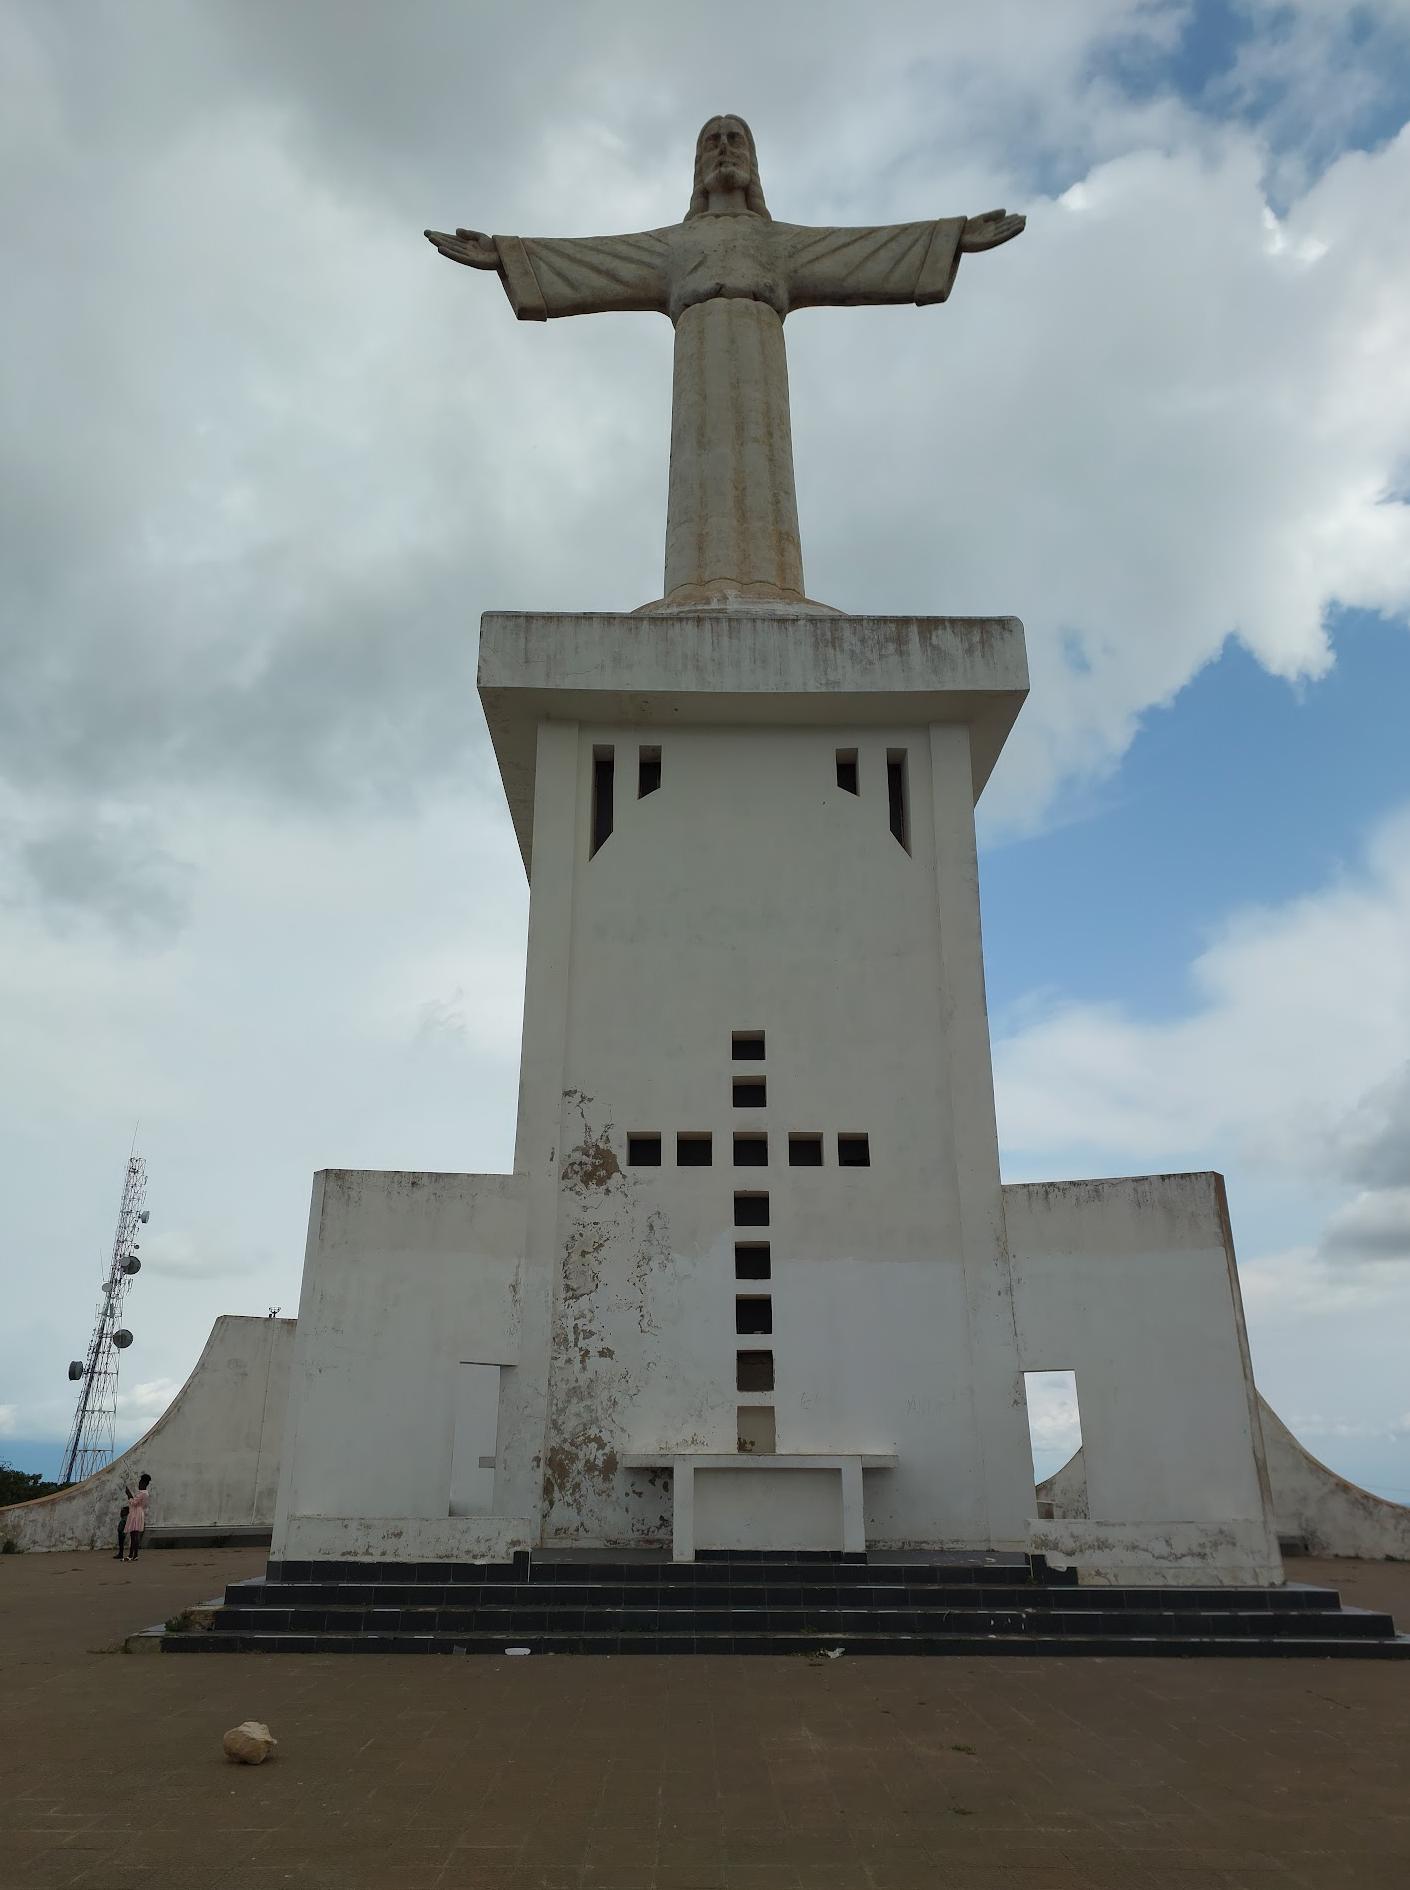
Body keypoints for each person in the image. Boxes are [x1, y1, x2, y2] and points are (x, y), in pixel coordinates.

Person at [125, 1473, 151, 1561]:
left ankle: (131, 1555)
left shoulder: (142, 1493)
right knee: (135, 1535)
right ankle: (134, 1555)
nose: (139, 1484)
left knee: (134, 1535)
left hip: (135, 1513)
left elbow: (134, 1503)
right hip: (139, 1512)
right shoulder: (146, 1493)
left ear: (144, 1484)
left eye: (140, 1483)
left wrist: (129, 1495)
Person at [114, 1495, 129, 1561]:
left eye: (122, 1511)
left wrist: (123, 1532)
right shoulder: (124, 1518)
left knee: (121, 1544)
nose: (121, 1513)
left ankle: (121, 1554)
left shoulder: (125, 1519)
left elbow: (124, 1527)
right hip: (121, 1532)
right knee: (121, 1544)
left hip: (122, 1533)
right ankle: (120, 1553)